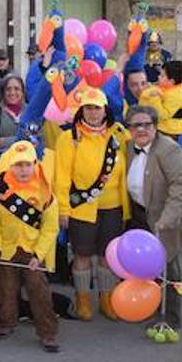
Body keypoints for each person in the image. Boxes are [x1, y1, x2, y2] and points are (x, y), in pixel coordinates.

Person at [54, 86, 128, 322]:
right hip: (81, 208)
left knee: (108, 256)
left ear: (106, 110)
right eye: (88, 108)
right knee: (82, 255)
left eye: (97, 108)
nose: (93, 113)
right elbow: (62, 177)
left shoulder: (117, 136)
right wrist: (63, 209)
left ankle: (107, 298)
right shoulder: (69, 139)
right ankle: (83, 298)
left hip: (113, 206)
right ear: (81, 111)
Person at [124, 105, 182, 334]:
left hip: (172, 212)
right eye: (136, 125)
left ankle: (171, 317)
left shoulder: (168, 150)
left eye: (147, 124)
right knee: (145, 264)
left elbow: (180, 188)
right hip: (143, 210)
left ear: (155, 126)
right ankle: (148, 306)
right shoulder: (129, 147)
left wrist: (166, 220)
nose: (142, 129)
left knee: (167, 263)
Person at [0, 140, 60, 352]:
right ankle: (6, 322)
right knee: (4, 288)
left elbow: (50, 228)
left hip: (32, 251)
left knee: (39, 290)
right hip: (6, 248)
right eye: (18, 165)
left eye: (27, 164)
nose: (23, 170)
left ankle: (47, 332)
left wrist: (39, 254)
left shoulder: (45, 192)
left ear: (35, 164)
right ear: (10, 165)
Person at [0, 74, 26, 158]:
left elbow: (36, 138)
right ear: (3, 92)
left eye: (16, 89)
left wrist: (7, 141)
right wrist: (24, 139)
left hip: (26, 164)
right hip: (3, 163)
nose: (12, 93)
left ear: (22, 91)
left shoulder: (30, 110)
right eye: (8, 89)